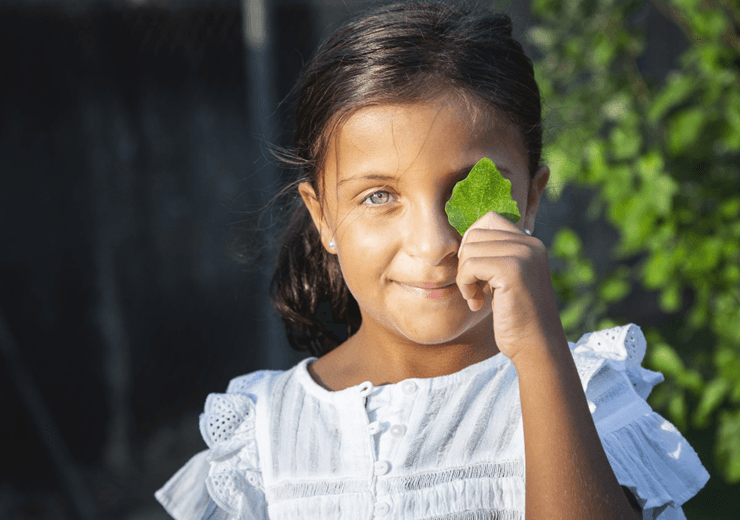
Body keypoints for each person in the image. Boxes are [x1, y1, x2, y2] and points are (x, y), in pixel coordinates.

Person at [155, 2, 709, 519]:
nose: (434, 241)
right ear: (322, 217)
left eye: (471, 188)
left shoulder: (586, 396)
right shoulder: (263, 436)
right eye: (378, 196)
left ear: (532, 200)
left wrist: (540, 354)